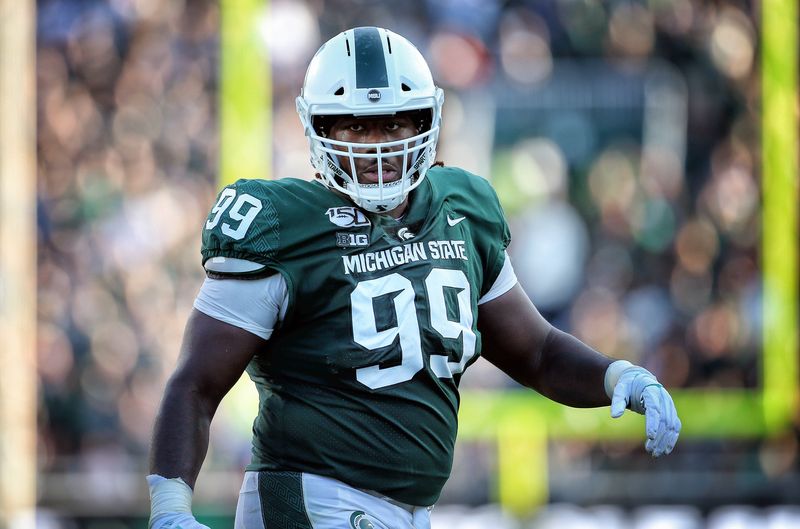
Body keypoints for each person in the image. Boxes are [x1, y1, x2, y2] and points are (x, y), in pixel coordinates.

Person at [147, 26, 681, 529]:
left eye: (394, 123)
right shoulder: (280, 223)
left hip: (408, 510)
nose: (378, 144)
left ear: (426, 123)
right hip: (311, 498)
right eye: (356, 125)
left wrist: (618, 377)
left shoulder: (462, 210)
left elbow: (536, 352)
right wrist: (170, 506)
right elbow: (197, 382)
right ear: (319, 128)